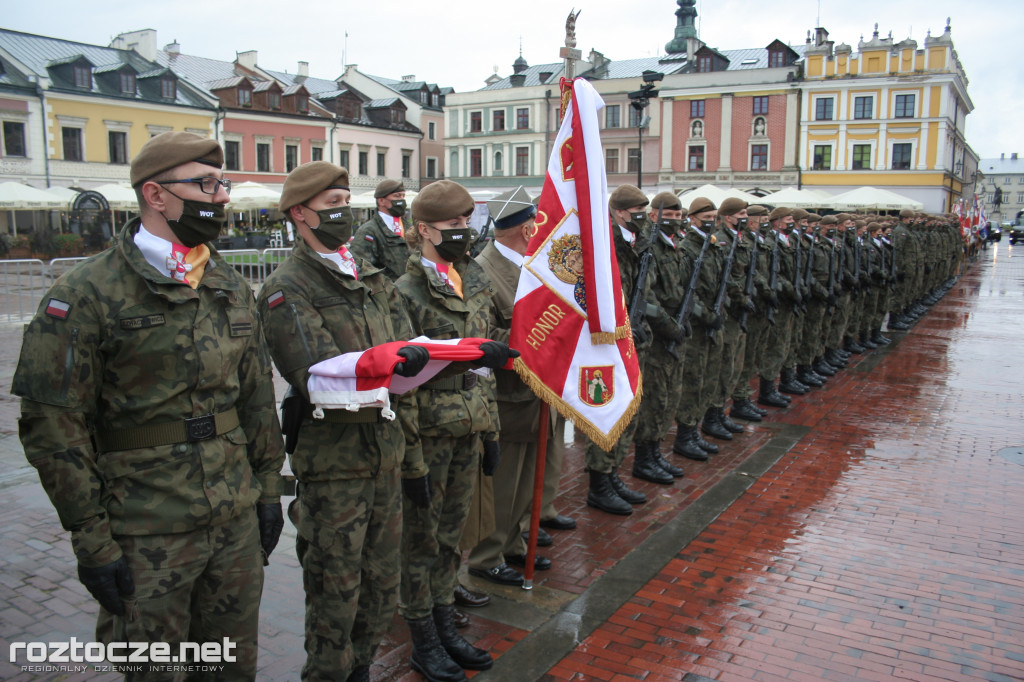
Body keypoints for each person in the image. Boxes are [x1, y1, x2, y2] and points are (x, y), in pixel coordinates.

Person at [12, 131, 286, 680]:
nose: (221, 197)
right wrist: (91, 539)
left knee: (232, 666)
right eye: (205, 184)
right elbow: (53, 429)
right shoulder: (86, 293)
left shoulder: (229, 284)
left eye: (222, 183)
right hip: (145, 529)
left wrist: (267, 489)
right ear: (156, 195)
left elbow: (257, 398)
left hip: (232, 519)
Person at [256, 161, 431, 682]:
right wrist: (388, 364)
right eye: (331, 205)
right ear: (299, 213)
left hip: (384, 452)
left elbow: (403, 340)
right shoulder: (288, 286)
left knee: (380, 588)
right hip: (335, 467)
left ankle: (361, 670)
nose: (343, 213)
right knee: (336, 596)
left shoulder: (370, 275)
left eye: (345, 202)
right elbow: (315, 373)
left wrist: (425, 359)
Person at [395, 179, 515, 681]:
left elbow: (483, 364)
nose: (463, 232)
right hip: (429, 433)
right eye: (452, 225)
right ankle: (423, 638)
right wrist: (411, 462)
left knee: (450, 539)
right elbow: (399, 386)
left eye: (467, 222)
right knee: (421, 541)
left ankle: (446, 627)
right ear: (423, 229)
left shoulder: (473, 278)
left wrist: (489, 432)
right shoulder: (405, 291)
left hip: (470, 427)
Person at [467, 186, 564, 586]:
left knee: (529, 482)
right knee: (502, 484)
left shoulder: (532, 263)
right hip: (508, 396)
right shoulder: (481, 271)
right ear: (528, 229)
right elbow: (483, 336)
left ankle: (512, 545)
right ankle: (487, 555)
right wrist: (541, 335)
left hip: (539, 392)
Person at [350, 178, 413, 280]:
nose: (401, 200)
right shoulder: (369, 231)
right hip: (387, 291)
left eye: (403, 196)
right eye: (397, 196)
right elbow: (361, 266)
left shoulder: (409, 228)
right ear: (381, 201)